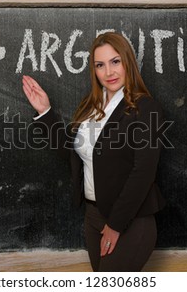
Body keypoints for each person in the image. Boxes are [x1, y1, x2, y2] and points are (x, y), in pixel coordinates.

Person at [22, 32, 166, 272]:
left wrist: (116, 225)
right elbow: (72, 156)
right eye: (100, 65)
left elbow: (143, 173)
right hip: (93, 217)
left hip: (130, 221)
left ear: (128, 62)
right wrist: (45, 112)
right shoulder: (91, 108)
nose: (109, 72)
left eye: (115, 61)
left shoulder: (145, 108)